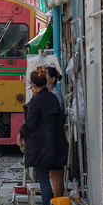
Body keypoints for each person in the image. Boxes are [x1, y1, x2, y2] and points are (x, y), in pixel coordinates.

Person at [16, 67, 63, 205]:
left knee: (42, 177)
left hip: (40, 145)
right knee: (55, 176)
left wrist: (21, 134)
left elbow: (30, 123)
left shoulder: (36, 101)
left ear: (33, 85)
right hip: (55, 143)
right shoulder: (53, 98)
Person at [45, 66, 68, 198]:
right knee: (53, 174)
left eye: (46, 75)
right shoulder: (53, 94)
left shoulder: (55, 96)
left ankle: (57, 204)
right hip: (54, 137)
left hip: (55, 138)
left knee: (56, 174)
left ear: (52, 79)